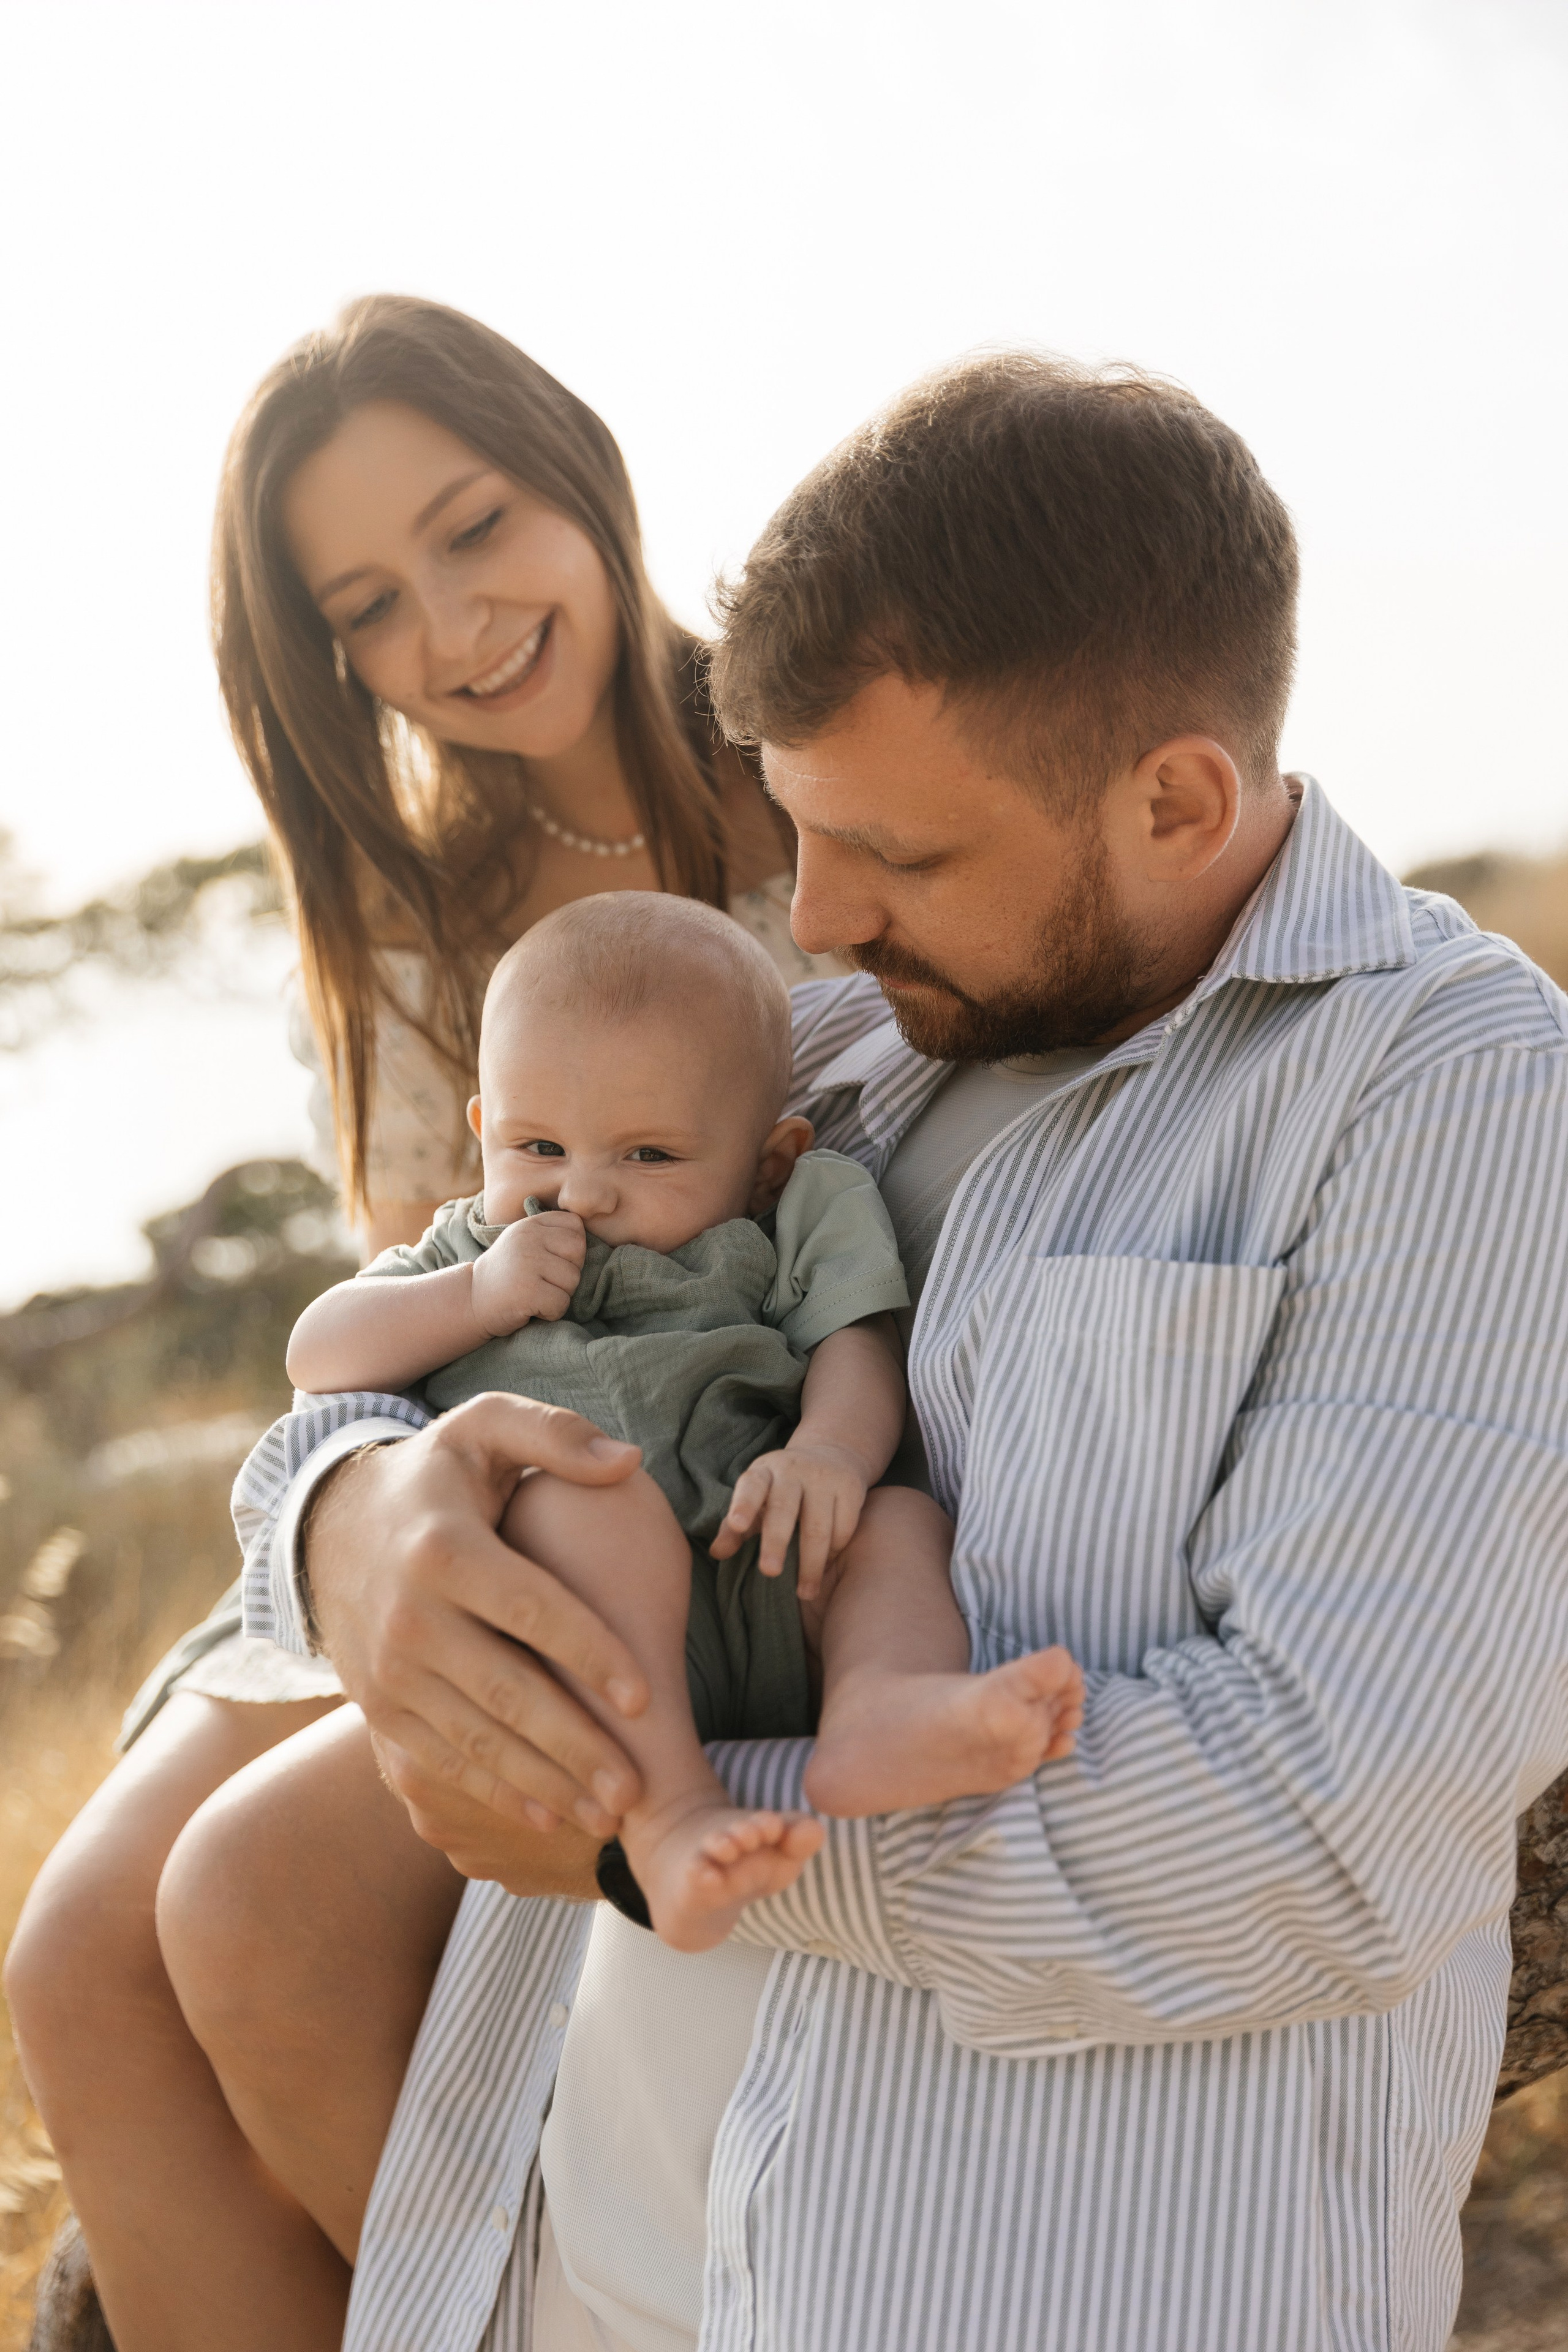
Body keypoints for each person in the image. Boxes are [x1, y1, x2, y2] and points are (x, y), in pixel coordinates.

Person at [164, 350, 1568, 2352]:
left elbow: (1328, 1836)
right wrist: (354, 1538)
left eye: (893, 858)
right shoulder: (821, 1054)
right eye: (802, 836)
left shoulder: (1453, 1093)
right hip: (563, 2268)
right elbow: (413, 1355)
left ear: (1174, 797)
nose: (812, 918)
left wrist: (647, 1818)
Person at [4, 295, 836, 2351]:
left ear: (570, 462)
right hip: (435, 1466)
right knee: (72, 1957)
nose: (453, 630)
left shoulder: (830, 748)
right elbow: (397, 1324)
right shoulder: (394, 922)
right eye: (367, 606)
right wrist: (365, 1519)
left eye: (474, 530)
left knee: (244, 1919)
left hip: (685, 1462)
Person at [288, 892, 1084, 1945]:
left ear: (767, 1159)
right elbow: (320, 1352)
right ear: (482, 1128)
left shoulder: (800, 1209)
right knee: (579, 1502)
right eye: (536, 1145)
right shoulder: (468, 1249)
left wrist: (830, 1456)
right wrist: (476, 1297)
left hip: (768, 1561)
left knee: (896, 1527)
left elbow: (861, 1342)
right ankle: (669, 1818)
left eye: (648, 1157)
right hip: (587, 1627)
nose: (583, 1193)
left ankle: (879, 1706)